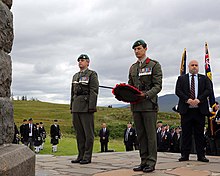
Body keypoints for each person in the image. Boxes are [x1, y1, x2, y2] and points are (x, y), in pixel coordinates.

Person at [128, 40, 162, 173]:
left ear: (145, 49)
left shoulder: (154, 65)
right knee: (140, 135)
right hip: (136, 106)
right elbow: (130, 85)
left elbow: (158, 86)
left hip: (148, 105)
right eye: (135, 49)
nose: (137, 51)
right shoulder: (133, 67)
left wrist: (146, 95)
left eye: (139, 48)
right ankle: (143, 161)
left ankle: (151, 162)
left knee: (150, 135)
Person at [175, 59, 212, 162]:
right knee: (186, 134)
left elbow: (208, 90)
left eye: (196, 65)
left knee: (199, 134)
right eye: (192, 65)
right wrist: (187, 100)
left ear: (198, 67)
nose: (194, 67)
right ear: (189, 67)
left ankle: (201, 155)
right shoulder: (181, 78)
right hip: (186, 110)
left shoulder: (204, 78)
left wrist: (199, 100)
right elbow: (178, 91)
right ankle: (184, 155)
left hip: (199, 110)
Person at [70, 54, 99, 164]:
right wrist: (71, 106)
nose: (80, 62)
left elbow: (94, 91)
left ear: (88, 62)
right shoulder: (75, 76)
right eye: (79, 61)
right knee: (79, 133)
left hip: (86, 107)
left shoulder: (92, 74)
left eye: (82, 60)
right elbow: (72, 93)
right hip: (76, 107)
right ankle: (80, 155)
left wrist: (92, 107)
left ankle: (87, 156)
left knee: (88, 133)